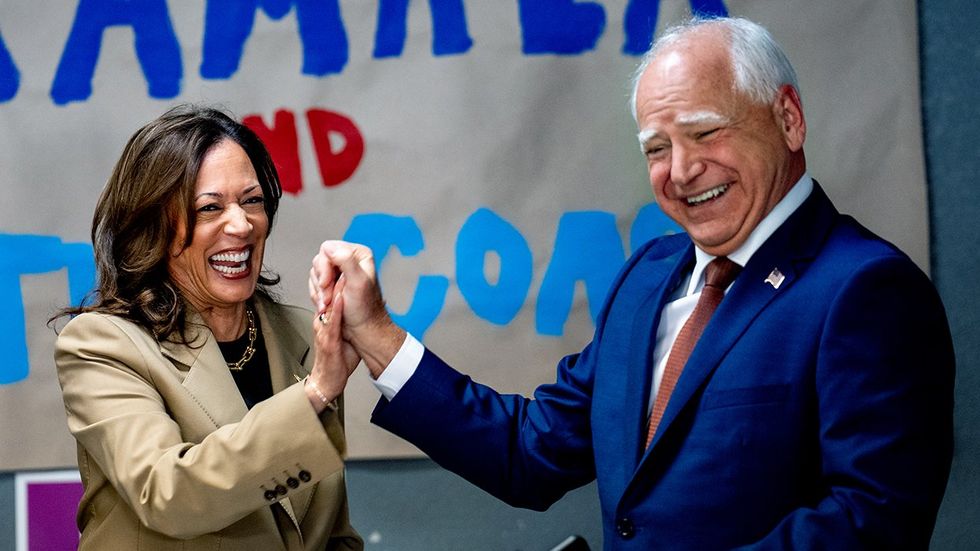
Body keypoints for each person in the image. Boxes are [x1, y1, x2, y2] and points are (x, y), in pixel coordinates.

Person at [308, 16, 955, 550]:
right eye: (655, 148)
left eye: (704, 131)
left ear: (788, 119)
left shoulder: (868, 291)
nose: (681, 169)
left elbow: (874, 524)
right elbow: (528, 452)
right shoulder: (645, 279)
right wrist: (378, 335)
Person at [53, 105, 362, 550]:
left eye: (252, 201)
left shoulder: (303, 334)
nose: (241, 225)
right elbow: (167, 494)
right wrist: (316, 393)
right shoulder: (102, 344)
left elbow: (331, 531)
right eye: (209, 207)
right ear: (153, 225)